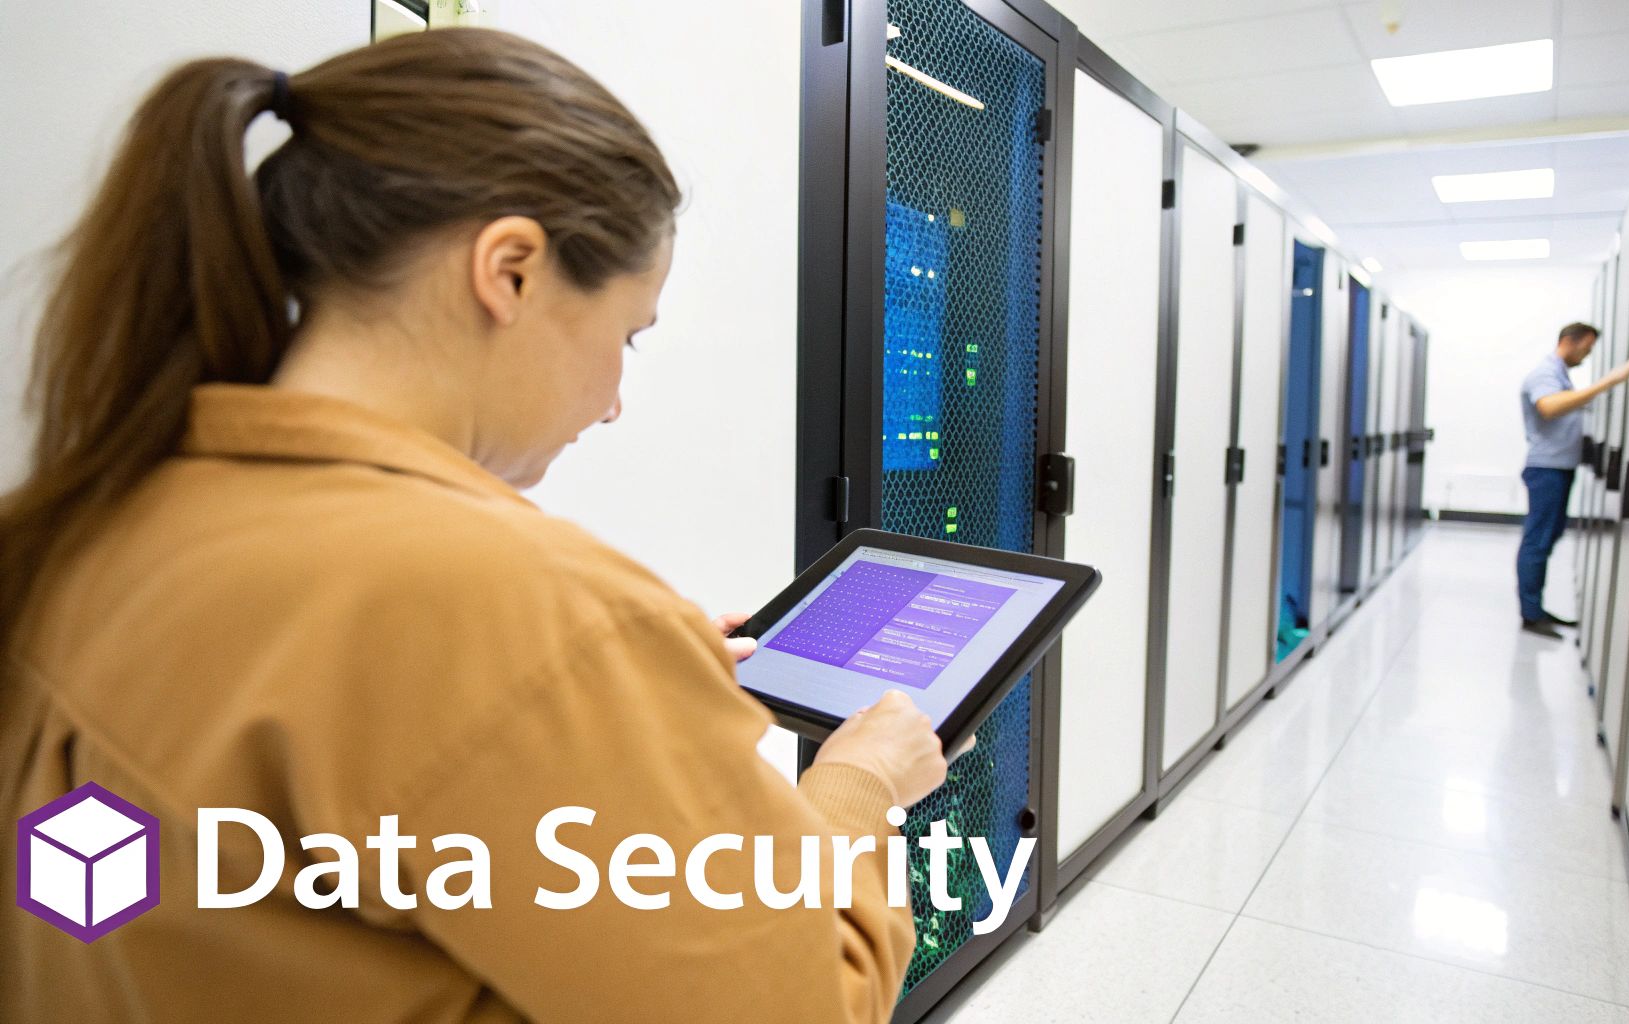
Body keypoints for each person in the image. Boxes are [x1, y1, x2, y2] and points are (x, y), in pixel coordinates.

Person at [0, 30, 949, 1022]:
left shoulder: (85, 520)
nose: (616, 398)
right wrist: (856, 787)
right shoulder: (522, 610)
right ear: (509, 270)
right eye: (626, 334)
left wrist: (625, 702)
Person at [1516, 322, 1629, 639]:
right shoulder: (1545, 373)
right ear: (1571, 341)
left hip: (1558, 468)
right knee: (1538, 540)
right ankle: (1530, 615)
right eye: (1587, 347)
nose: (1587, 354)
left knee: (1546, 537)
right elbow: (1549, 407)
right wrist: (1607, 383)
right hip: (1547, 470)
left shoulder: (1558, 374)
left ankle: (1536, 609)